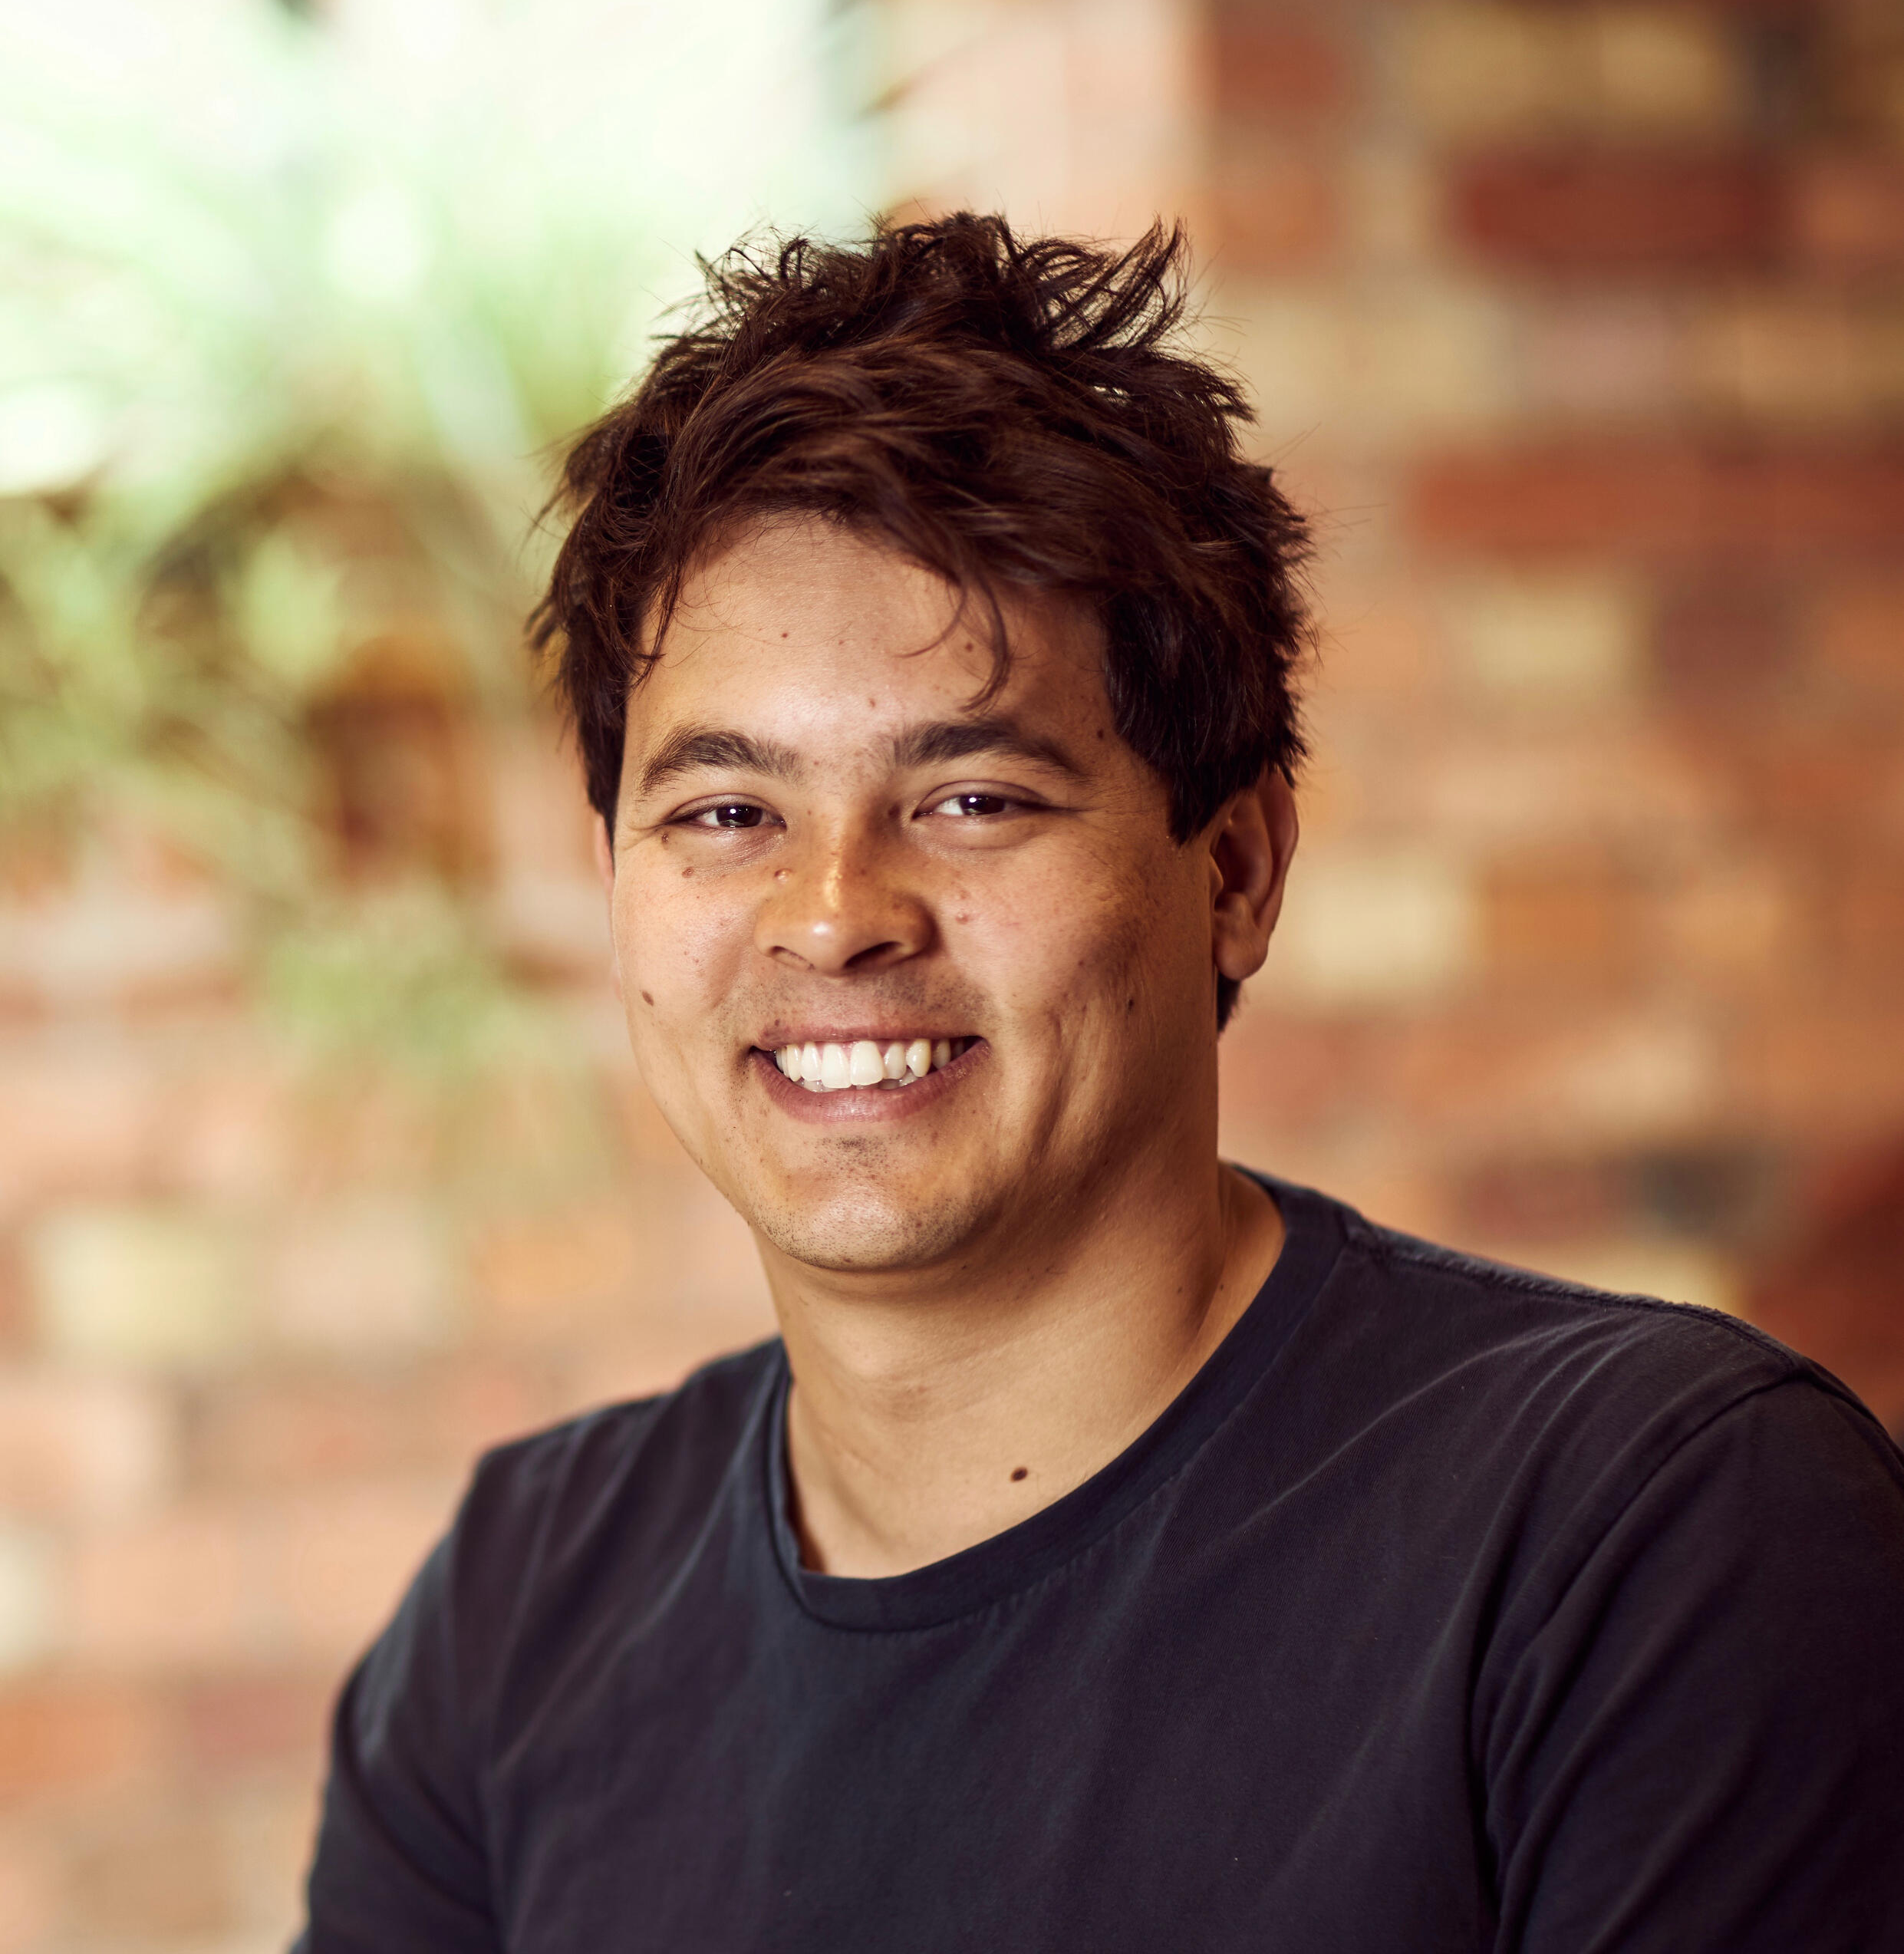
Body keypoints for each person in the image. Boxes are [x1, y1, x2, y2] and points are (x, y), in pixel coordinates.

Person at [297, 217, 1904, 1952]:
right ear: (612, 875)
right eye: (725, 814)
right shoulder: (518, 1604)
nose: (834, 912)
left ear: (1234, 870)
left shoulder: (1642, 1537)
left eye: (974, 796)